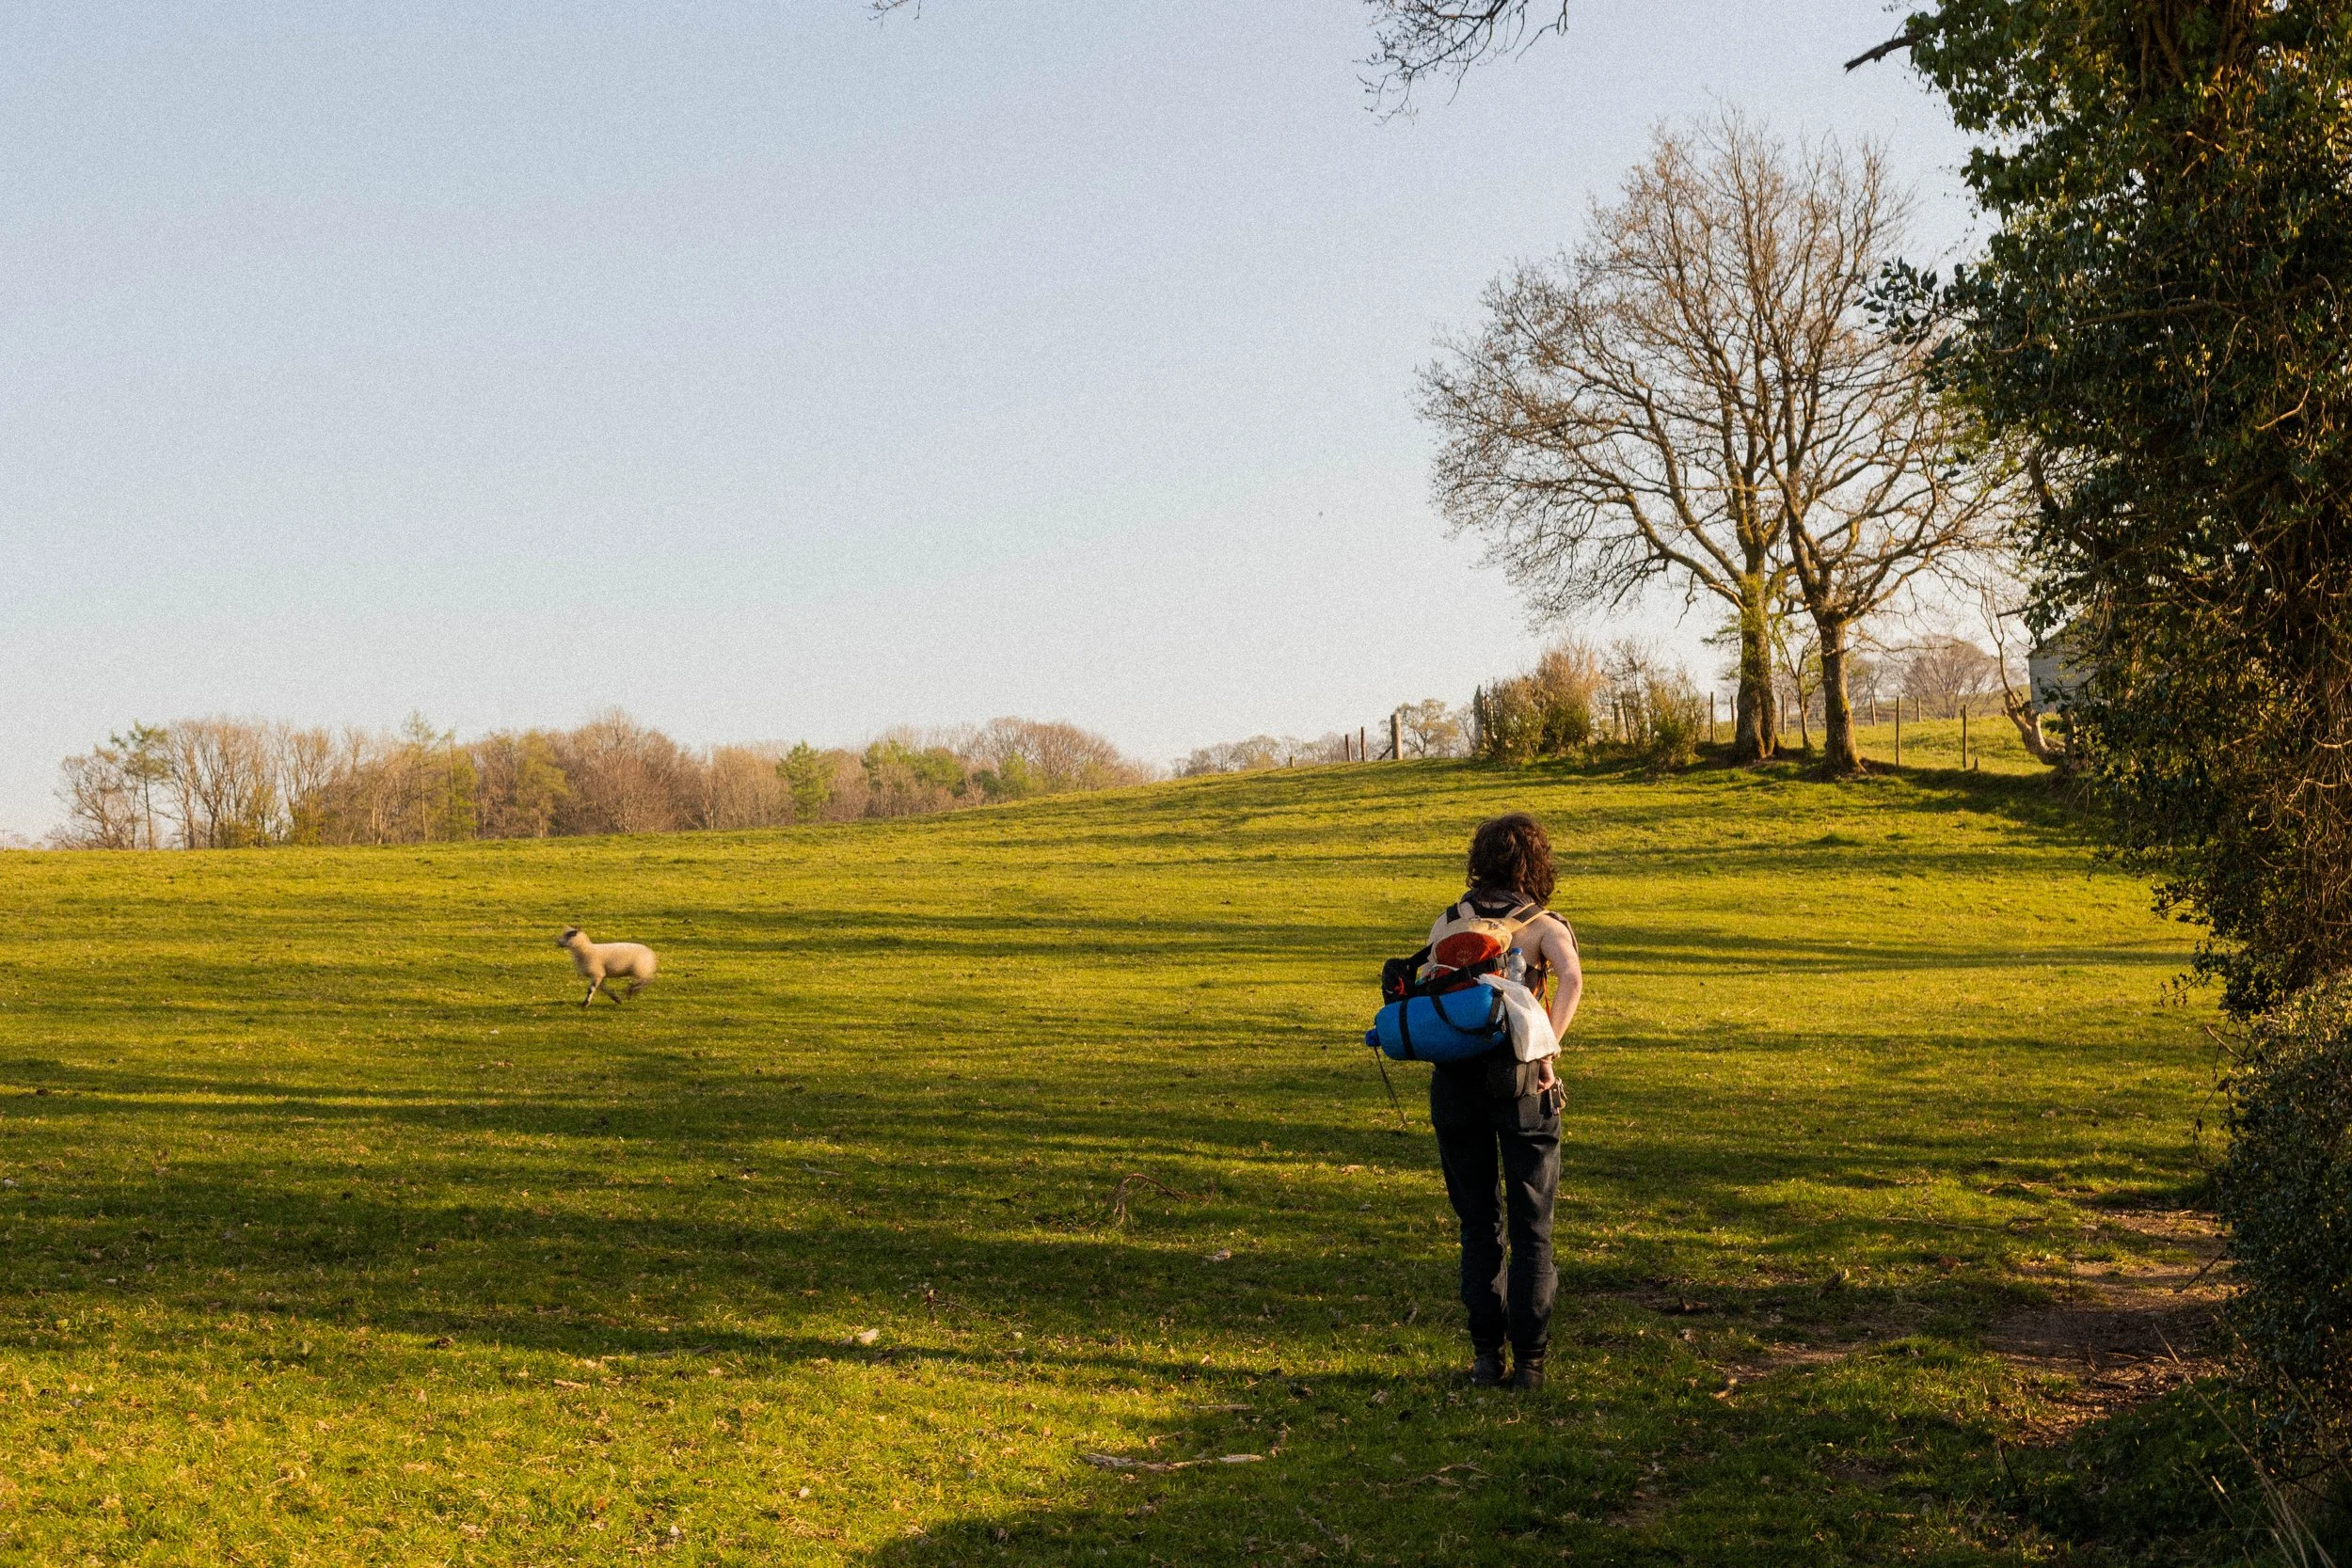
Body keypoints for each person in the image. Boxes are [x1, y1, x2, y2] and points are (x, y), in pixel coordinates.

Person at [1428, 812, 1581, 1392]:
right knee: (1532, 1224)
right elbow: (1572, 979)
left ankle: (1485, 1358)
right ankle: (1532, 1365)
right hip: (1523, 1084)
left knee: (1477, 1224)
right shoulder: (1544, 926)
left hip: (1454, 1084)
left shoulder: (1446, 923)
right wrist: (1550, 1045)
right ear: (1537, 865)